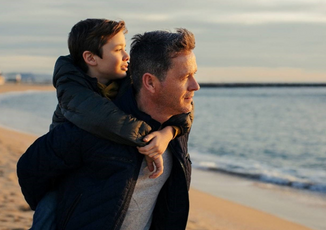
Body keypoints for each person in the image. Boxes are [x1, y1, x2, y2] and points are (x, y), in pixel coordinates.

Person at [17, 28, 199, 229]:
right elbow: (31, 170)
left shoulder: (176, 125)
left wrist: (170, 132)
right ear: (150, 82)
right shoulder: (94, 126)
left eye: (194, 75)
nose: (195, 85)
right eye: (184, 77)